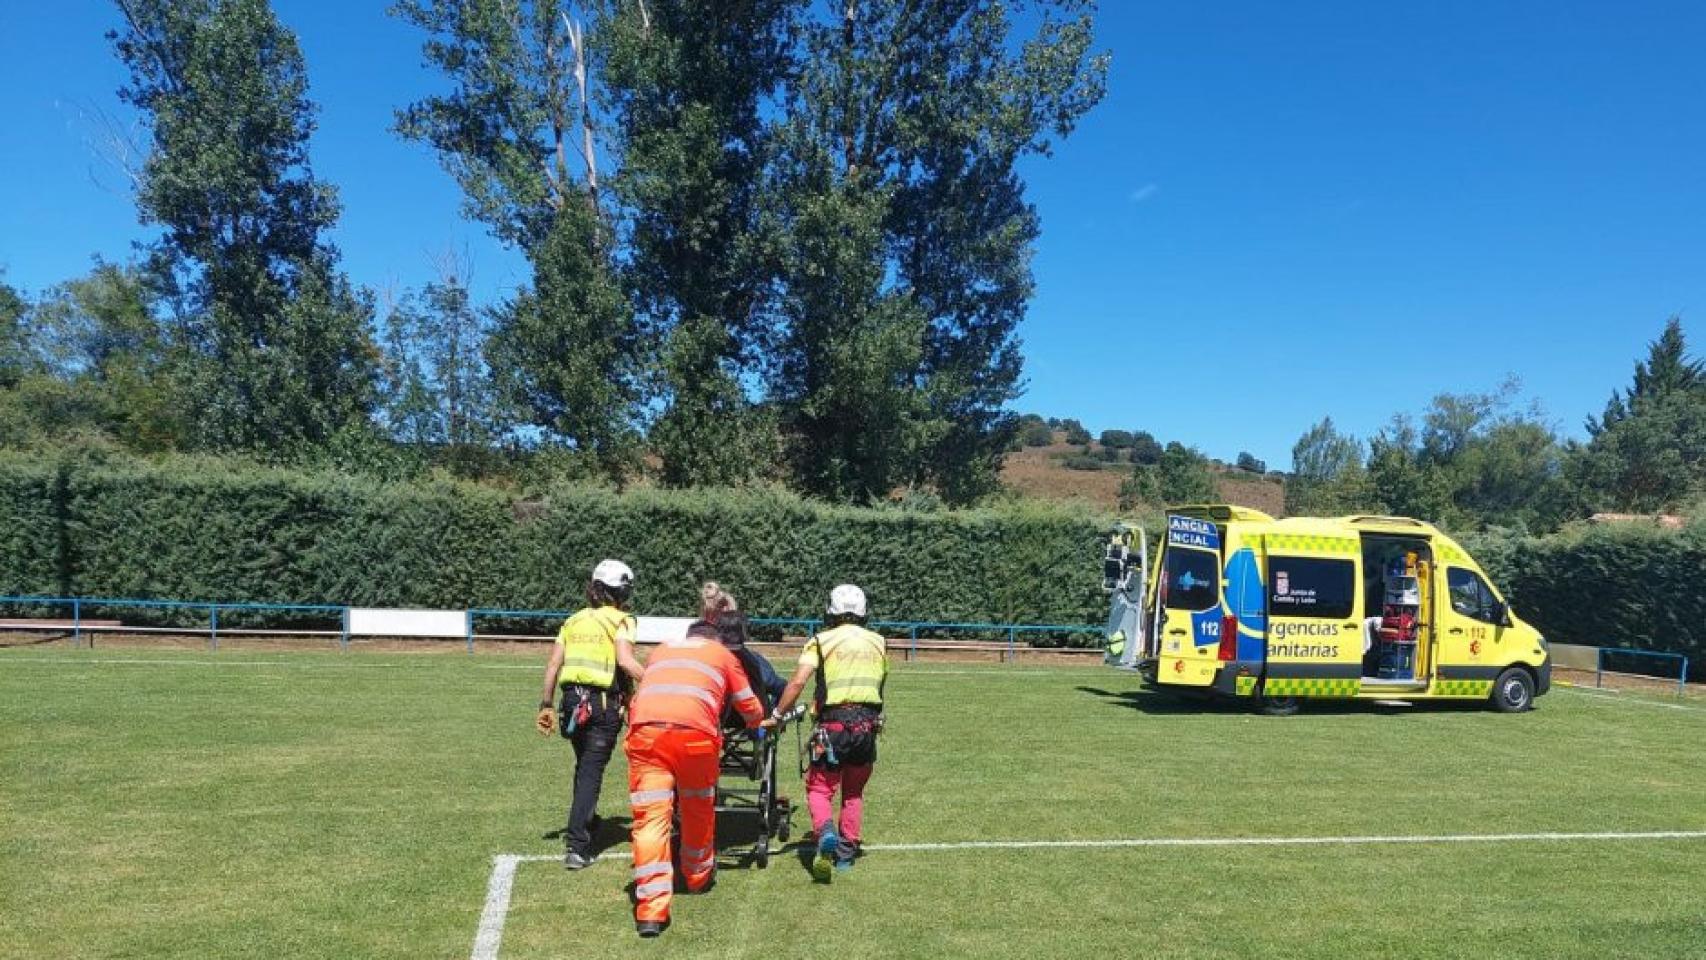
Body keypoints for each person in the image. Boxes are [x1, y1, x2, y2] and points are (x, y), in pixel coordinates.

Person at [624, 618, 766, 937]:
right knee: (697, 807)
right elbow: (748, 704)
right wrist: (758, 724)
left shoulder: (661, 651)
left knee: (649, 819)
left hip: (646, 735)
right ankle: (698, 875)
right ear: (714, 639)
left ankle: (651, 912)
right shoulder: (722, 655)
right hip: (696, 738)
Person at [763, 583, 888, 883]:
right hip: (867, 726)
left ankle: (825, 830)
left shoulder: (820, 641)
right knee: (854, 791)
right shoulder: (878, 642)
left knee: (820, 789)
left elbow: (797, 683)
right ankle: (845, 855)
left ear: (831, 611)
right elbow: (880, 683)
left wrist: (777, 715)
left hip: (832, 725)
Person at [534, 559, 646, 871]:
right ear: (621, 591)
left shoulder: (573, 620)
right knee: (590, 773)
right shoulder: (623, 620)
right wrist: (655, 680)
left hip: (571, 704)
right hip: (600, 705)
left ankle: (588, 818)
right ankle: (578, 846)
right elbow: (625, 661)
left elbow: (553, 665)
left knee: (584, 765)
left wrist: (545, 704)